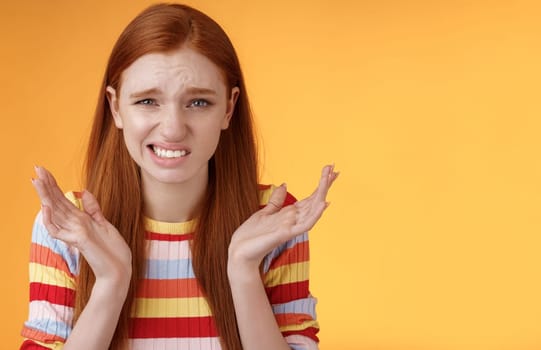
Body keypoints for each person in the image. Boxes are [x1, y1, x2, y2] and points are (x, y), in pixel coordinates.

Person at [21, 3, 338, 350]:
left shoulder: (272, 222)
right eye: (147, 101)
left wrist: (243, 270)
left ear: (228, 108)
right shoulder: (68, 228)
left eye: (198, 102)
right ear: (115, 107)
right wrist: (111, 284)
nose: (172, 129)